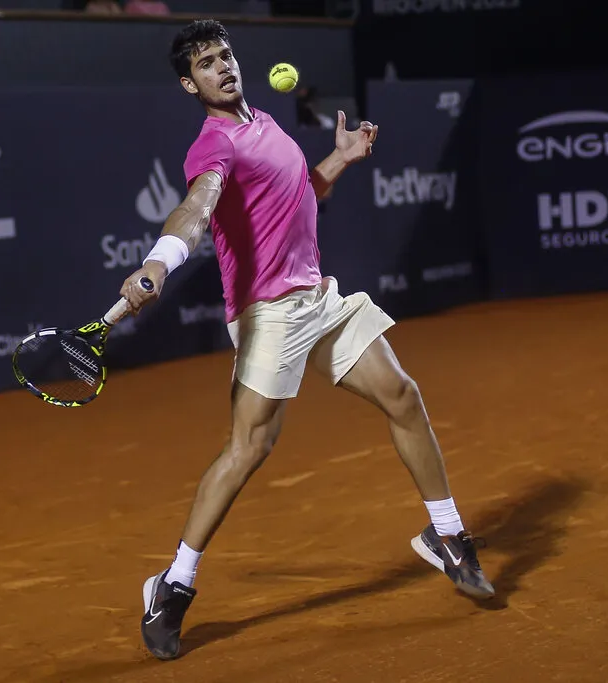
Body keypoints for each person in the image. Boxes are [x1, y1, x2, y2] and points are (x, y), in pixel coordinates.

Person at [118, 19, 495, 662]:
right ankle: (173, 583)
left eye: (226, 55)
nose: (223, 67)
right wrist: (159, 260)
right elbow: (198, 207)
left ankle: (447, 534)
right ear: (191, 84)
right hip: (267, 315)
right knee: (249, 448)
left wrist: (340, 160)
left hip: (318, 297)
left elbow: (296, 197)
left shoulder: (266, 122)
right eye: (207, 64)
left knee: (403, 395)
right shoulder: (214, 145)